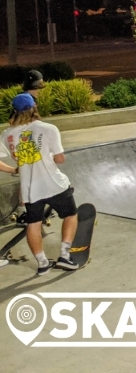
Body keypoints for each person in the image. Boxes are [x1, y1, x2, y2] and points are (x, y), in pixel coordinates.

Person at [1, 93, 80, 274]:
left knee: (33, 224)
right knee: (70, 215)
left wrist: (14, 170)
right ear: (34, 107)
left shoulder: (8, 135)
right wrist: (52, 156)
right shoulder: (49, 128)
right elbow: (59, 159)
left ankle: (43, 264)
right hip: (54, 184)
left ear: (14, 111)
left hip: (30, 190)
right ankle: (64, 256)